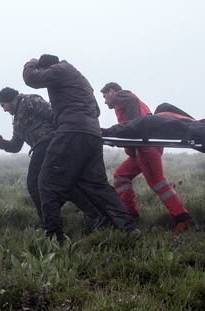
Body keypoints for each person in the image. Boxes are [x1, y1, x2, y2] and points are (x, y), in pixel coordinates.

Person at [22, 55, 137, 242]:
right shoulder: (81, 80)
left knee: (46, 182)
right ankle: (129, 228)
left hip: (71, 133)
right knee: (98, 186)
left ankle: (54, 238)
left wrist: (31, 63)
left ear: (48, 67)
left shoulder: (60, 69)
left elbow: (31, 78)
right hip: (91, 135)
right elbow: (97, 111)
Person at [0, 87, 107, 231]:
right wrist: (2, 143)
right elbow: (16, 146)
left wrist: (67, 138)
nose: (3, 109)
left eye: (3, 105)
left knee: (34, 183)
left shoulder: (30, 100)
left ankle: (49, 224)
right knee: (62, 184)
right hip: (41, 147)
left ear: (10, 99)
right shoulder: (16, 120)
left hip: (50, 143)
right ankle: (94, 215)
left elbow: (54, 115)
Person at [100, 82, 195, 234]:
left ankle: (183, 218)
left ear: (112, 91)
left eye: (105, 96)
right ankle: (130, 213)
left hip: (145, 148)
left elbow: (133, 126)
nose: (105, 101)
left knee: (157, 182)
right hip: (142, 148)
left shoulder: (122, 97)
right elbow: (132, 127)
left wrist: (107, 133)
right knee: (121, 176)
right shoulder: (130, 102)